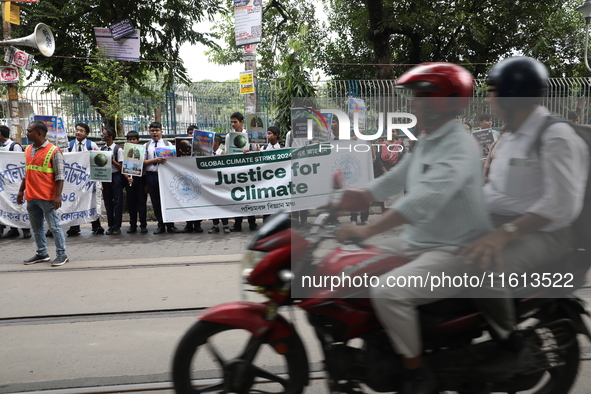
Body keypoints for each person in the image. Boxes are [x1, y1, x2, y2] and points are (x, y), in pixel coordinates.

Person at [336, 62, 492, 393]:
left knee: (388, 292)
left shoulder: (460, 145)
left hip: (456, 250)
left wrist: (366, 230)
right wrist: (357, 196)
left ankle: (417, 374)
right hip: (421, 242)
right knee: (350, 267)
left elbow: (421, 202)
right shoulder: (426, 140)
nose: (413, 103)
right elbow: (398, 177)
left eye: (421, 96)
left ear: (442, 101)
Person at [460, 57, 590, 344]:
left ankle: (508, 345)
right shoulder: (510, 136)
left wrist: (502, 235)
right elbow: (496, 191)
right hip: (503, 223)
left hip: (546, 234)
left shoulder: (556, 136)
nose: (490, 98)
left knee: (486, 273)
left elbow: (560, 205)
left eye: (494, 91)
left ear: (512, 95)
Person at [17, 121, 69, 267]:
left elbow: (60, 176)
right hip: (31, 196)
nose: (27, 134)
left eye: (29, 131)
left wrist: (57, 196)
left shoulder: (54, 151)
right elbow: (27, 172)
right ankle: (42, 253)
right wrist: (21, 190)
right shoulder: (28, 149)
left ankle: (61, 254)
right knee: (37, 227)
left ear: (39, 133)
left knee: (54, 226)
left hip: (47, 197)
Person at [66, 122, 103, 236]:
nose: (78, 132)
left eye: (81, 131)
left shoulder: (91, 145)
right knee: (74, 201)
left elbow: (99, 162)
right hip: (74, 179)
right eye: (77, 130)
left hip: (88, 179)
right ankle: (74, 226)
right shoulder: (70, 145)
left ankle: (96, 226)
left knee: (91, 201)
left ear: (87, 133)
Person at [143, 121, 181, 234]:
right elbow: (141, 163)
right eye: (152, 131)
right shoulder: (146, 146)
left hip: (165, 176)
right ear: (149, 132)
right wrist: (155, 160)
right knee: (155, 201)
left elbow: (174, 161)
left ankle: (170, 225)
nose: (155, 133)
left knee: (168, 200)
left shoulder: (168, 144)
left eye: (157, 130)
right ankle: (160, 225)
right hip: (151, 176)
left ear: (161, 131)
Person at [0, 125, 31, 239]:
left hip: (16, 182)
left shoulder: (14, 146)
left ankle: (25, 229)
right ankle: (13, 229)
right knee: (7, 205)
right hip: (5, 183)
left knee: (20, 205)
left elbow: (20, 162)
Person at [229, 112, 258, 232]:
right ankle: (237, 223)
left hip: (248, 170)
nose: (233, 124)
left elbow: (256, 150)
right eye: (231, 122)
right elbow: (228, 153)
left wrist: (249, 151)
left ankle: (252, 222)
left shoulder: (249, 135)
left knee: (250, 197)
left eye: (235, 122)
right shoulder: (229, 137)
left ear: (241, 122)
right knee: (237, 196)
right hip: (236, 170)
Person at [100, 126, 124, 235]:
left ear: (110, 137)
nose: (102, 136)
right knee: (108, 202)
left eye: (104, 134)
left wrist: (112, 160)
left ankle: (117, 226)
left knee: (118, 202)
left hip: (116, 177)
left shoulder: (118, 149)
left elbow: (121, 167)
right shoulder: (102, 149)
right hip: (105, 177)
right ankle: (110, 225)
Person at [285, 127, 310, 227]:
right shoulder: (290, 134)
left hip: (308, 168)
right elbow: (287, 150)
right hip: (294, 167)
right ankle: (295, 220)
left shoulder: (311, 133)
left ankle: (304, 219)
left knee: (305, 193)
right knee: (295, 194)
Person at [123, 131, 148, 234]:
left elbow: (146, 165)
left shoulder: (143, 150)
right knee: (131, 203)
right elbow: (123, 166)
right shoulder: (125, 151)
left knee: (142, 203)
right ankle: (132, 225)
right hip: (130, 180)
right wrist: (127, 177)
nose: (132, 141)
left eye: (133, 139)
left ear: (138, 140)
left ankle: (143, 225)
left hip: (141, 179)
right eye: (130, 139)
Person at [182, 124, 203, 233]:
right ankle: (188, 224)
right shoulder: (182, 145)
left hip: (198, 176)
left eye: (195, 134)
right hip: (186, 176)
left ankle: (198, 224)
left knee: (197, 200)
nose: (192, 135)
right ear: (187, 134)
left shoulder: (202, 147)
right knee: (187, 200)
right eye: (190, 133)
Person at [209, 134, 232, 234]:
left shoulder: (224, 154)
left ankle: (225, 224)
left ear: (217, 143)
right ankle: (215, 225)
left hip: (221, 183)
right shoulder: (206, 154)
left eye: (211, 141)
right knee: (213, 204)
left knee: (223, 204)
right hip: (210, 184)